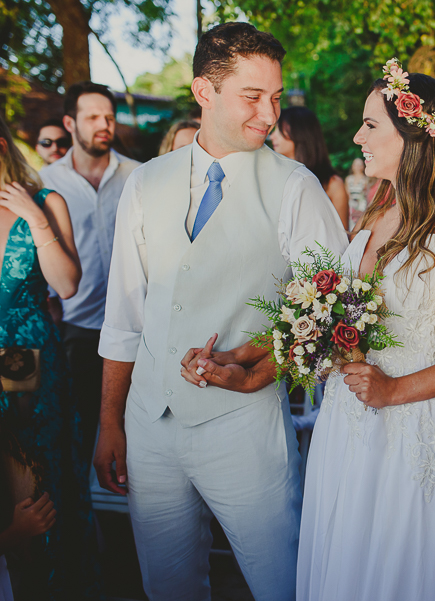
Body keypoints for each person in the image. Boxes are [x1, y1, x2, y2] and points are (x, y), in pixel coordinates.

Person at [93, 23, 347, 601]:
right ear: (204, 92)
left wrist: (263, 364)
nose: (269, 116)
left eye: (277, 98)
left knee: (281, 581)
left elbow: (336, 312)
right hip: (148, 423)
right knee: (168, 586)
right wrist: (111, 422)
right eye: (253, 97)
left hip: (245, 427)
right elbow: (125, 317)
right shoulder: (144, 184)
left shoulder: (296, 187)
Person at [295, 59, 435, 601]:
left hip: (414, 429)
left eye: (370, 125)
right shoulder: (375, 215)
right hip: (346, 424)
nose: (355, 136)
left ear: (412, 133)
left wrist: (394, 390)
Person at [0, 115, 98, 599]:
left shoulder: (44, 201)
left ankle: (56, 581)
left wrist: (36, 221)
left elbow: (66, 285)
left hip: (26, 355)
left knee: (36, 468)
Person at [39, 81, 141, 464]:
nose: (105, 124)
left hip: (136, 327)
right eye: (94, 117)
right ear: (70, 122)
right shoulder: (46, 184)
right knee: (78, 435)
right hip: (77, 329)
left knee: (136, 434)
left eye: (110, 117)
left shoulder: (139, 175)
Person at [271, 106, 350, 230]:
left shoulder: (332, 184)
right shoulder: (273, 177)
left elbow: (342, 238)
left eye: (279, 129)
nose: (272, 136)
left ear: (300, 132)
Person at [345, 157, 371, 227]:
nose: (358, 167)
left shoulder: (366, 179)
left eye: (360, 165)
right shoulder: (348, 179)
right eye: (356, 165)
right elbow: (347, 194)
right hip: (351, 205)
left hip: (362, 205)